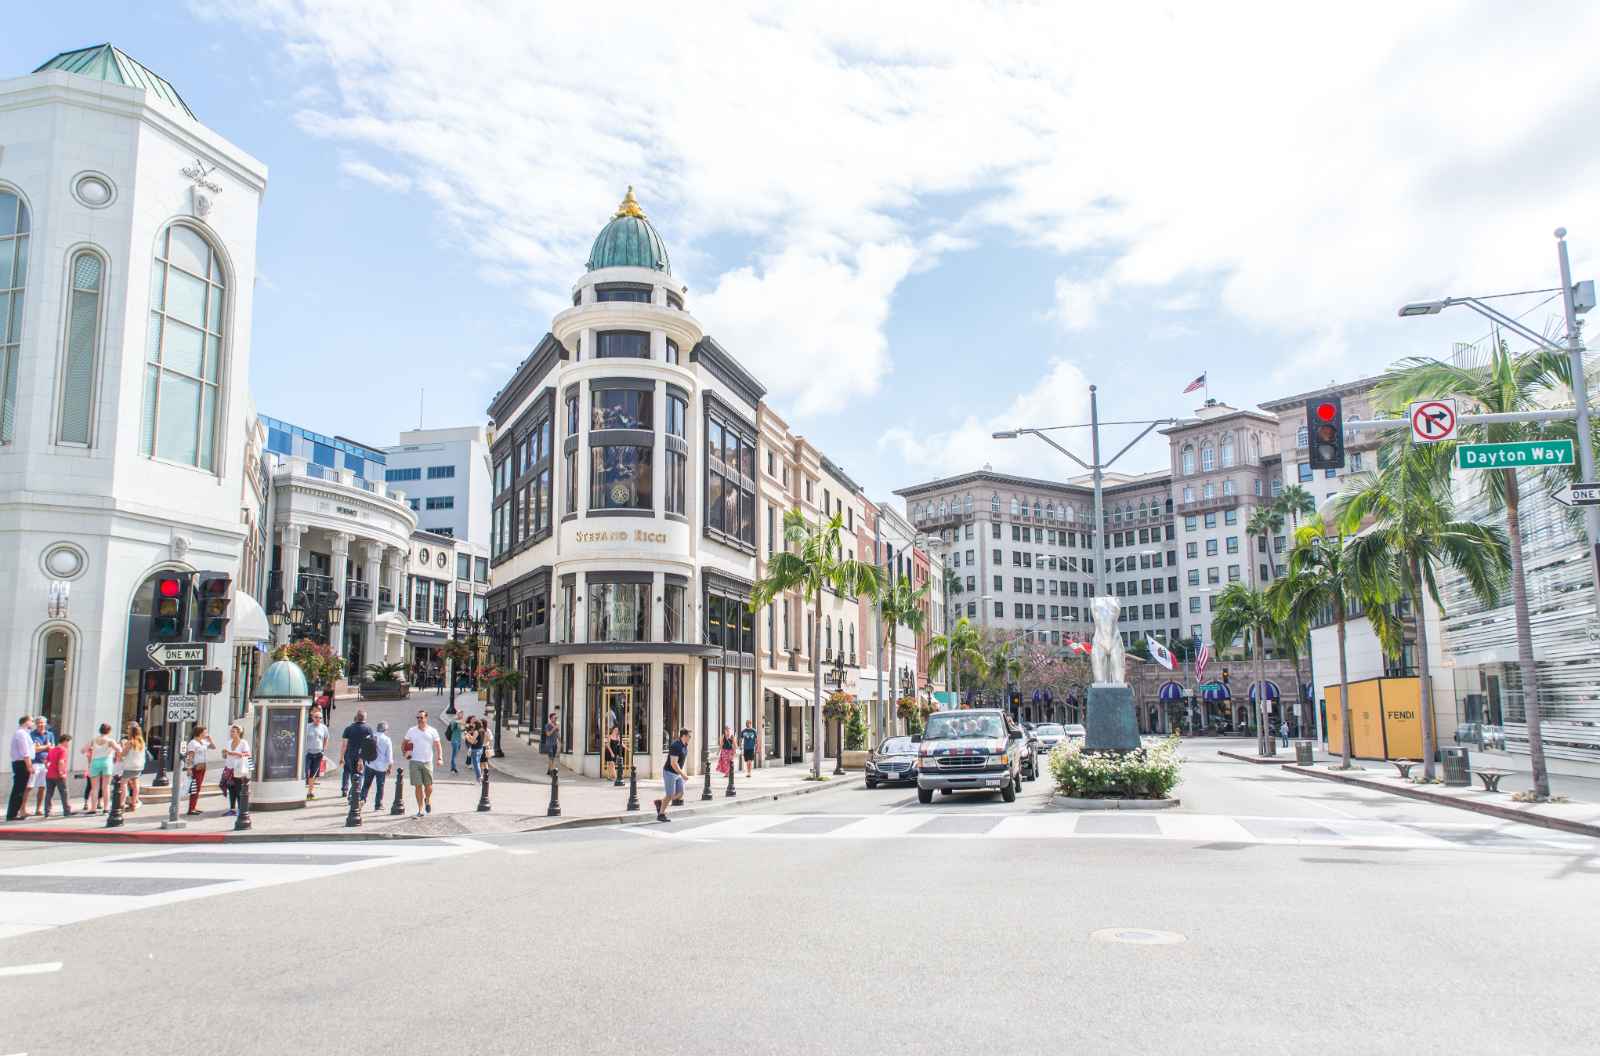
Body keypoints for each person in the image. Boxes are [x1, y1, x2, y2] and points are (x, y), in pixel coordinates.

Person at [403, 709, 442, 818]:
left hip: (427, 761)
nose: (419, 719)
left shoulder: (432, 731)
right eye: (418, 718)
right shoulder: (411, 730)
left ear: (426, 718)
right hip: (415, 761)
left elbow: (438, 745)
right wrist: (405, 753)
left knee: (429, 787)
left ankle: (427, 799)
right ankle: (420, 809)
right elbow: (404, 743)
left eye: (421, 717)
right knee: (418, 786)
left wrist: (440, 758)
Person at [338, 709, 375, 804]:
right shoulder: (368, 729)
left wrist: (341, 757)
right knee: (360, 776)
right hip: (362, 757)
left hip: (351, 755)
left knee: (353, 775)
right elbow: (370, 744)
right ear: (365, 718)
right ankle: (354, 795)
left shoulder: (349, 728)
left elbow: (344, 745)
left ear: (357, 717)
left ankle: (352, 794)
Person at [653, 727, 690, 822]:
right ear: (684, 736)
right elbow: (674, 763)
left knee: (680, 793)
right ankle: (661, 814)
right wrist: (683, 774)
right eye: (689, 736)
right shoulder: (675, 746)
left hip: (677, 773)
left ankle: (660, 802)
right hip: (670, 772)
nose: (690, 738)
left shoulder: (685, 745)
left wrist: (681, 773)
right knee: (670, 795)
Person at [87, 723, 119, 814]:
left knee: (94, 788)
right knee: (106, 786)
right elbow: (119, 749)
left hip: (95, 762)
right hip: (106, 762)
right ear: (109, 731)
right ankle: (106, 808)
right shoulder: (110, 740)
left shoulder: (94, 740)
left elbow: (83, 749)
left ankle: (93, 808)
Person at [185, 725, 217, 815]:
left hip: (203, 767)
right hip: (196, 767)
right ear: (199, 733)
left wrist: (210, 739)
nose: (206, 734)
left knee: (198, 788)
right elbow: (190, 757)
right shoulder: (193, 743)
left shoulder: (203, 742)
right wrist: (189, 768)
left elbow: (213, 747)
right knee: (195, 788)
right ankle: (191, 809)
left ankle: (193, 807)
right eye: (205, 732)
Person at [7, 715, 33, 822]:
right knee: (19, 789)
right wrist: (29, 766)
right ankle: (12, 814)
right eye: (31, 721)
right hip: (21, 763)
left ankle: (13, 812)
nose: (32, 723)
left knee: (19, 788)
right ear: (26, 722)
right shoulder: (21, 734)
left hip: (21, 763)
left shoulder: (23, 733)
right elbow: (25, 752)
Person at [362, 721, 394, 808]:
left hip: (370, 764)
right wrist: (390, 767)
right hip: (381, 767)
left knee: (366, 784)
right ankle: (378, 804)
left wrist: (362, 761)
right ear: (385, 730)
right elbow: (389, 756)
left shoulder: (369, 736)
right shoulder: (387, 740)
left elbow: (364, 750)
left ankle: (362, 799)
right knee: (380, 786)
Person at [221, 724, 250, 816]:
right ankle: (232, 809)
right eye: (231, 731)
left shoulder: (243, 742)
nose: (231, 733)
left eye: (233, 731)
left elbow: (246, 754)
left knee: (239, 789)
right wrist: (225, 754)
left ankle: (241, 809)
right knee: (231, 789)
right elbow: (225, 756)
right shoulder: (229, 742)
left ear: (239, 733)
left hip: (238, 769)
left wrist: (231, 753)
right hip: (229, 768)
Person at [29, 716, 55, 817]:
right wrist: (46, 747)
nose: (40, 725)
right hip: (34, 762)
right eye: (38, 723)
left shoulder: (50, 734)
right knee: (29, 786)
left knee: (42, 787)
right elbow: (34, 749)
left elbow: (52, 748)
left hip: (46, 764)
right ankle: (22, 808)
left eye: (42, 723)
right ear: (36, 724)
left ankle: (39, 808)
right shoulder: (32, 734)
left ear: (45, 723)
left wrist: (42, 747)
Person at [119, 722, 147, 813]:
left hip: (129, 766)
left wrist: (122, 747)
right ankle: (133, 803)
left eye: (128, 730)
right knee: (135, 783)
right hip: (138, 766)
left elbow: (123, 754)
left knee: (123, 783)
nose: (127, 731)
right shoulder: (141, 742)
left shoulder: (130, 742)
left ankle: (122, 803)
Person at [304, 706, 329, 801]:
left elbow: (326, 738)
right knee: (305, 771)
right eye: (316, 717)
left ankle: (310, 792)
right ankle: (302, 789)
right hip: (308, 753)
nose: (318, 719)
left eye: (320, 718)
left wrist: (324, 749)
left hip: (318, 753)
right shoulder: (308, 727)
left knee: (313, 774)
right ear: (313, 718)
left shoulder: (323, 728)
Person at [43, 734, 71, 818]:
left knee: (49, 793)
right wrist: (61, 772)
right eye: (68, 742)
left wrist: (48, 768)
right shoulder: (63, 750)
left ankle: (47, 811)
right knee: (64, 793)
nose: (68, 744)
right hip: (58, 775)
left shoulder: (52, 749)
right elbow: (61, 762)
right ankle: (66, 811)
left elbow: (45, 761)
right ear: (65, 741)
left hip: (49, 775)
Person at [465, 718, 485, 783]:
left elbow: (473, 742)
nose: (472, 725)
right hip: (480, 748)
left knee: (476, 764)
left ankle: (479, 778)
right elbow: (476, 740)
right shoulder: (482, 730)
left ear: (476, 724)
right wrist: (470, 735)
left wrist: (467, 737)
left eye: (474, 723)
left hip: (475, 749)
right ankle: (479, 777)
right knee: (478, 763)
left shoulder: (476, 731)